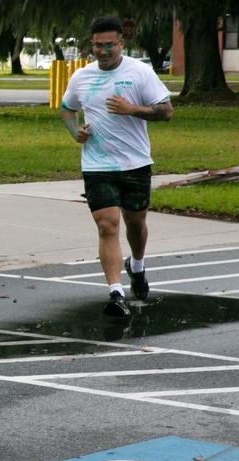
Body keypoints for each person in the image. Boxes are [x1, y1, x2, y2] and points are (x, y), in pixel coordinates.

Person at [60, 16, 173, 317]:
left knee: (135, 223)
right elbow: (67, 109)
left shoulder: (139, 72)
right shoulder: (81, 77)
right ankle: (116, 293)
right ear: (91, 46)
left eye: (111, 44)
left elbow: (166, 111)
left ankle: (136, 266)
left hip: (135, 163)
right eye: (98, 45)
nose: (104, 50)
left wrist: (131, 109)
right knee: (107, 225)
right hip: (97, 165)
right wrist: (76, 133)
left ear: (122, 43)